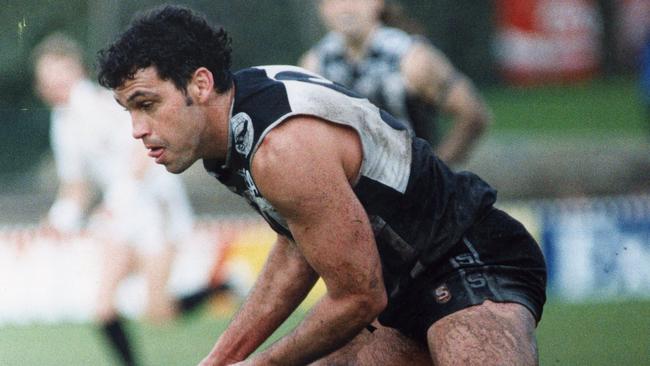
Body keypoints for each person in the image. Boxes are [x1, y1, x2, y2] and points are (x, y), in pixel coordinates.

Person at [97, 5, 547, 366]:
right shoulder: (230, 130)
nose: (137, 129)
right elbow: (299, 245)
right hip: (403, 292)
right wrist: (220, 358)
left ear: (199, 84)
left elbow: (358, 295)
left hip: (467, 261)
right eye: (129, 111)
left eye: (147, 104)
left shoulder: (279, 147)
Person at [33, 33, 228, 366]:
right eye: (47, 77)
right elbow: (76, 185)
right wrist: (60, 217)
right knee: (103, 307)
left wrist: (118, 199)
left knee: (159, 312)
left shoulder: (101, 104)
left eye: (60, 73)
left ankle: (224, 286)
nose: (55, 83)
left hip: (155, 206)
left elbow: (142, 147)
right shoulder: (61, 122)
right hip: (122, 214)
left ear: (76, 71)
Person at [300, 0, 490, 166]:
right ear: (322, 8)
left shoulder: (409, 57)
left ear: (377, 2)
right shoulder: (315, 64)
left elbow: (473, 114)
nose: (346, 7)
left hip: (413, 196)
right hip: (351, 195)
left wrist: (436, 174)